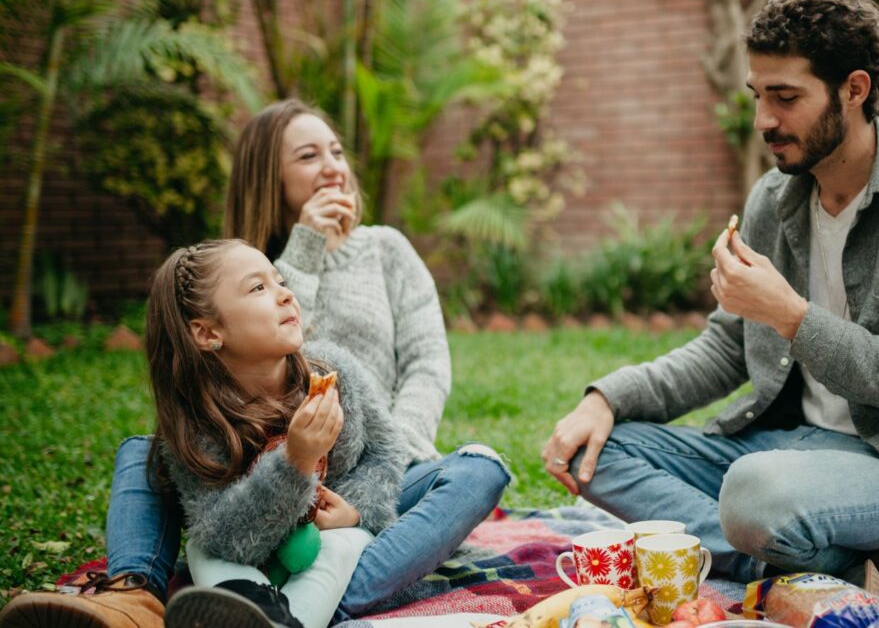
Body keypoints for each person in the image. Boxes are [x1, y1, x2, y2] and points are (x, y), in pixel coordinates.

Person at [540, 0, 879, 609]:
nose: (764, 120)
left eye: (785, 97)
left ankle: (780, 545)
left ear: (854, 89)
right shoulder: (774, 196)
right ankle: (815, 566)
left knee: (755, 493)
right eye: (758, 95)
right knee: (596, 451)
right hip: (780, 448)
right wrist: (607, 398)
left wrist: (791, 316)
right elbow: (726, 348)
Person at [0, 100, 510, 628]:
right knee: (145, 453)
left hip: (369, 464)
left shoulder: (386, 249)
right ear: (270, 176)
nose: (334, 166)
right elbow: (279, 340)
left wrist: (370, 485)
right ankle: (134, 596)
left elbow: (428, 363)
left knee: (476, 469)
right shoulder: (239, 266)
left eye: (337, 151)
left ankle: (296, 604)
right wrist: (304, 249)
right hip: (249, 455)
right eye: (310, 156)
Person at [146, 239, 411, 628]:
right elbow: (226, 539)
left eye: (280, 281)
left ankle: (275, 620)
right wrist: (296, 462)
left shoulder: (334, 370)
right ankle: (266, 611)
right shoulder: (194, 422)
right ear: (207, 332)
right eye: (258, 288)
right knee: (203, 549)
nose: (286, 294)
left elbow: (386, 452)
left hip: (328, 542)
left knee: (345, 543)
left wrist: (353, 511)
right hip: (252, 557)